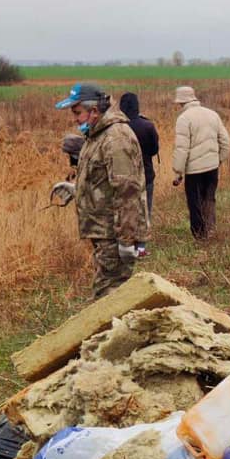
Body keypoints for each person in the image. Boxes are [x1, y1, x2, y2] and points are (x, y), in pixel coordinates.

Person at [55, 82, 148, 299]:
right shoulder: (98, 135)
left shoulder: (115, 139)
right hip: (104, 233)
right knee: (108, 297)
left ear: (94, 111)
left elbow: (127, 190)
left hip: (114, 234)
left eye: (77, 112)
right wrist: (78, 190)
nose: (74, 118)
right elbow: (104, 180)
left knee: (108, 298)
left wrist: (126, 239)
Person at [172, 86, 230, 240]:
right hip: (212, 167)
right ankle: (211, 230)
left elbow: (181, 148)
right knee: (209, 199)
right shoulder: (212, 114)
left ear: (181, 102)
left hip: (194, 171)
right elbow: (225, 141)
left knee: (195, 202)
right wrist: (219, 160)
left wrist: (178, 171)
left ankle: (200, 236)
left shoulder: (184, 119)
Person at [119, 93, 159, 257]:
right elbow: (154, 150)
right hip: (146, 176)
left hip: (123, 176)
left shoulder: (118, 128)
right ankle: (141, 248)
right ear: (137, 106)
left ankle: (125, 247)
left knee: (124, 211)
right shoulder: (147, 126)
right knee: (144, 211)